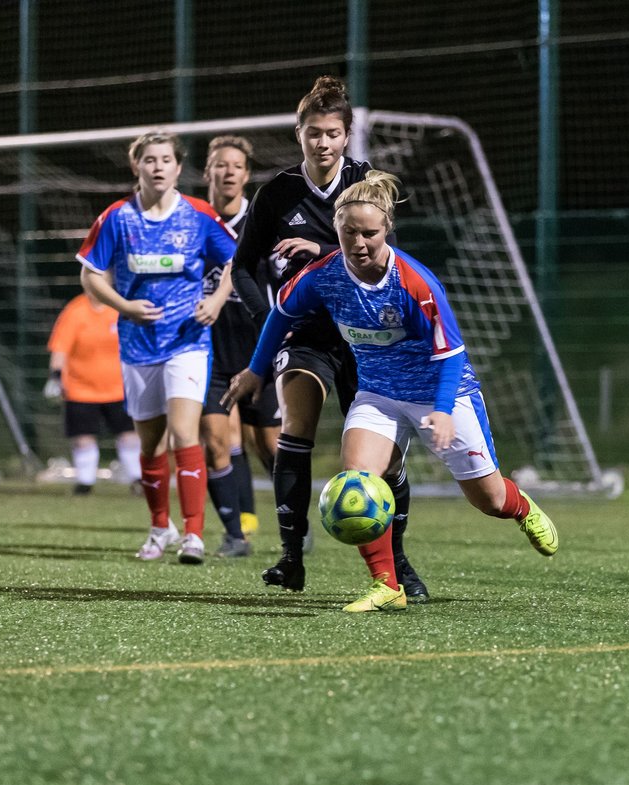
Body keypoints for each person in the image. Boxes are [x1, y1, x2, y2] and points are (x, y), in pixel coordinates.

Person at [225, 170, 558, 613]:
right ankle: (387, 585)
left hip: (441, 392)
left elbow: (451, 352)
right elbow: (280, 316)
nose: (359, 243)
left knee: (489, 500)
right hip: (378, 394)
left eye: (370, 233)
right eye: (348, 233)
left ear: (387, 230)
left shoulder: (414, 284)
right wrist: (254, 370)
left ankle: (523, 510)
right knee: (358, 480)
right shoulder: (322, 276)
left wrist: (440, 410)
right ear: (337, 230)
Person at [226, 75, 427, 600]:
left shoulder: (366, 185)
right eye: (313, 132)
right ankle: (292, 558)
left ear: (346, 136)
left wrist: (320, 252)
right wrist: (266, 314)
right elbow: (243, 266)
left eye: (333, 133)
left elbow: (383, 255)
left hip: (367, 335)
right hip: (307, 331)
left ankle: (398, 565)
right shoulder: (277, 193)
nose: (323, 143)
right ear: (299, 134)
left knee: (387, 459)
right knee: (295, 427)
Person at [76, 130, 238, 564]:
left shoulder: (199, 215)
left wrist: (217, 300)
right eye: (150, 159)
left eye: (166, 159)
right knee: (150, 446)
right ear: (137, 166)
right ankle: (158, 527)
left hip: (187, 342)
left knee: (185, 433)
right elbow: (90, 275)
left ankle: (193, 535)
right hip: (138, 345)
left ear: (178, 167)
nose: (159, 166)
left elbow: (235, 261)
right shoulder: (117, 218)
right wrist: (124, 305)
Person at [198, 134, 281, 558]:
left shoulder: (262, 222)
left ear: (246, 176)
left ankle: (292, 522)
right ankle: (235, 533)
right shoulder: (193, 221)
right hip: (208, 350)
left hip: (258, 350)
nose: (228, 172)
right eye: (220, 165)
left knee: (269, 445)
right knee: (215, 439)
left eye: (236, 166)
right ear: (207, 171)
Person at [44, 291, 143, 495]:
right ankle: (85, 483)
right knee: (83, 437)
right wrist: (55, 377)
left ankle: (138, 479)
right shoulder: (75, 311)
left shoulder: (121, 307)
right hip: (81, 390)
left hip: (119, 388)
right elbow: (60, 348)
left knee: (129, 435)